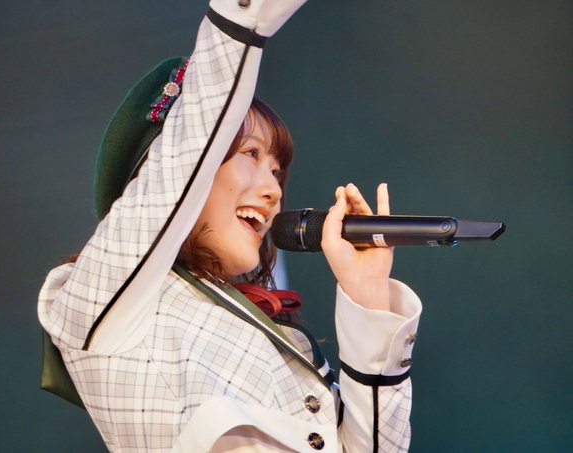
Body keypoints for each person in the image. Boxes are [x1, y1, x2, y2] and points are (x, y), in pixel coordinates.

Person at [38, 1, 422, 451]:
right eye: (251, 154)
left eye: (277, 172)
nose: (273, 190)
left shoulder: (277, 340)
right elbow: (186, 150)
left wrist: (368, 299)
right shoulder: (101, 299)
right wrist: (242, 21)